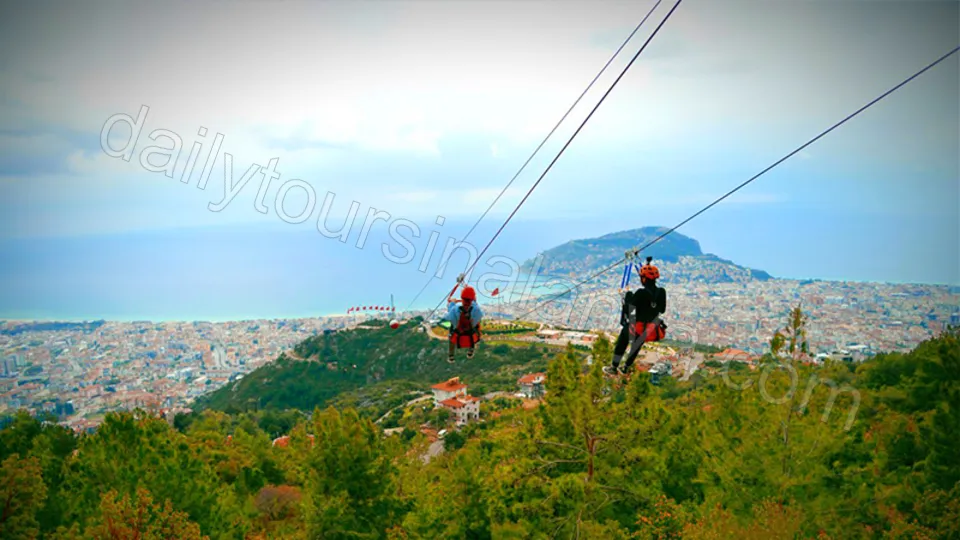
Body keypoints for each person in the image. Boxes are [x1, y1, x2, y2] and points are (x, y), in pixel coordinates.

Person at [605, 259, 667, 375]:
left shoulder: (640, 293)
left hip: (637, 326)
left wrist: (627, 296)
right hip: (651, 328)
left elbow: (630, 309)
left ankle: (614, 367)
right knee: (636, 346)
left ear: (644, 279)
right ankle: (626, 367)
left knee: (622, 342)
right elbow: (662, 310)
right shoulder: (661, 292)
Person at [444, 285, 483, 363]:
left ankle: (451, 356)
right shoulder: (477, 310)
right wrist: (475, 303)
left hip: (457, 336)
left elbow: (448, 317)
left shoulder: (455, 309)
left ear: (462, 298)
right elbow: (479, 315)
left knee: (451, 334)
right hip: (472, 337)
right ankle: (471, 350)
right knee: (476, 327)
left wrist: (451, 303)